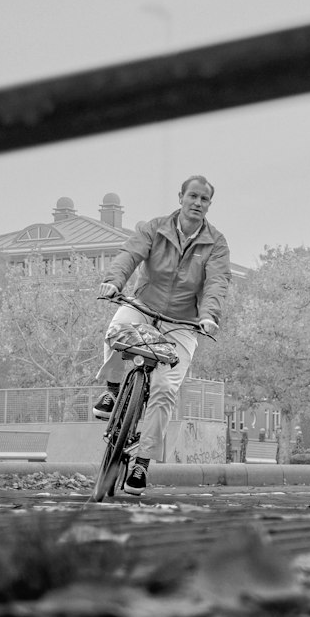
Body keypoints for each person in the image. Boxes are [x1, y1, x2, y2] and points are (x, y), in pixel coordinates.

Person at [93, 175, 230, 496]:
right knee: (115, 331)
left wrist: (209, 316)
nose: (197, 203)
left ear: (209, 205)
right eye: (192, 196)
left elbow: (217, 282)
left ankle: (141, 463)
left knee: (165, 389)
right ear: (181, 197)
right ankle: (113, 390)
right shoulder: (154, 228)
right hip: (144, 305)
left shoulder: (216, 243)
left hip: (183, 323)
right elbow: (130, 255)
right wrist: (114, 282)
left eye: (204, 199)